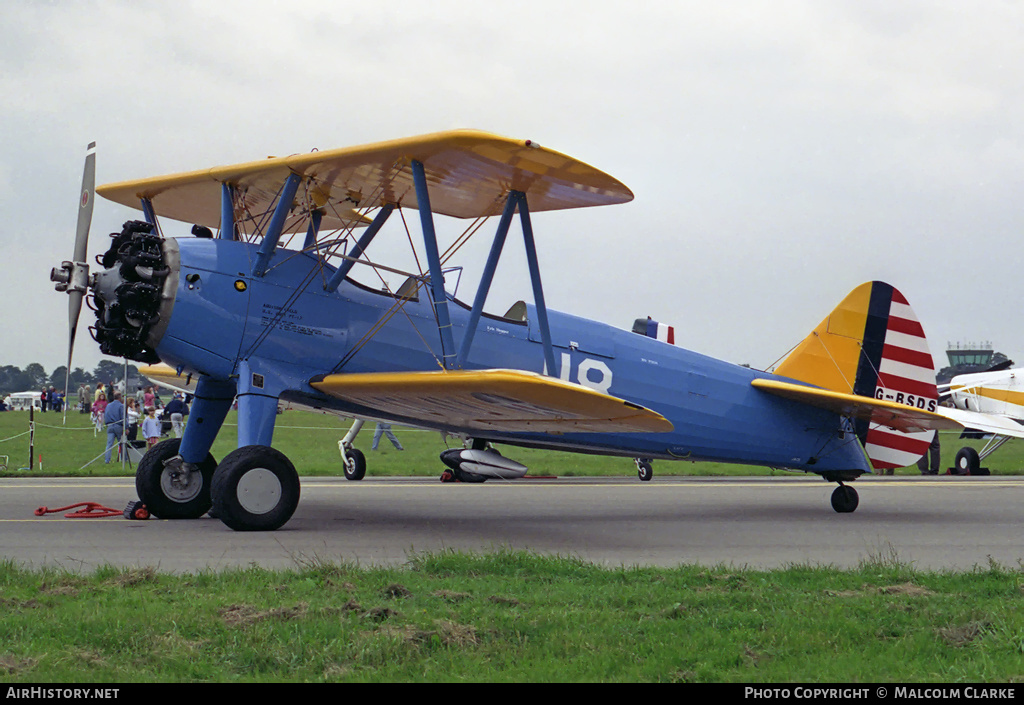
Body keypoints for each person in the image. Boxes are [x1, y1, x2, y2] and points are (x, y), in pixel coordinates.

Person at [103, 392, 125, 464]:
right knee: (121, 443)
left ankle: (107, 460)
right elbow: (123, 417)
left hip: (109, 425)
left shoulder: (108, 405)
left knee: (109, 444)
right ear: (120, 398)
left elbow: (105, 415)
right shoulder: (121, 406)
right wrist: (126, 427)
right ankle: (123, 459)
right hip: (118, 425)